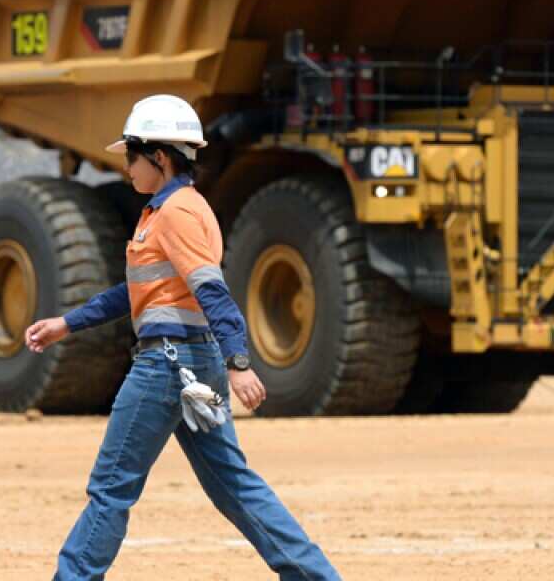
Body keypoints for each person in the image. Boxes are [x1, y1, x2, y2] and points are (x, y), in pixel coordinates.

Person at [25, 94, 341, 580]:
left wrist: (240, 362)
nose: (126, 165)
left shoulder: (174, 214)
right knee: (234, 486)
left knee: (111, 487)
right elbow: (135, 291)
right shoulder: (178, 209)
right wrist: (68, 324)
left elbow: (211, 291)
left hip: (166, 367)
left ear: (160, 156)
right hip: (196, 365)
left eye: (131, 154)